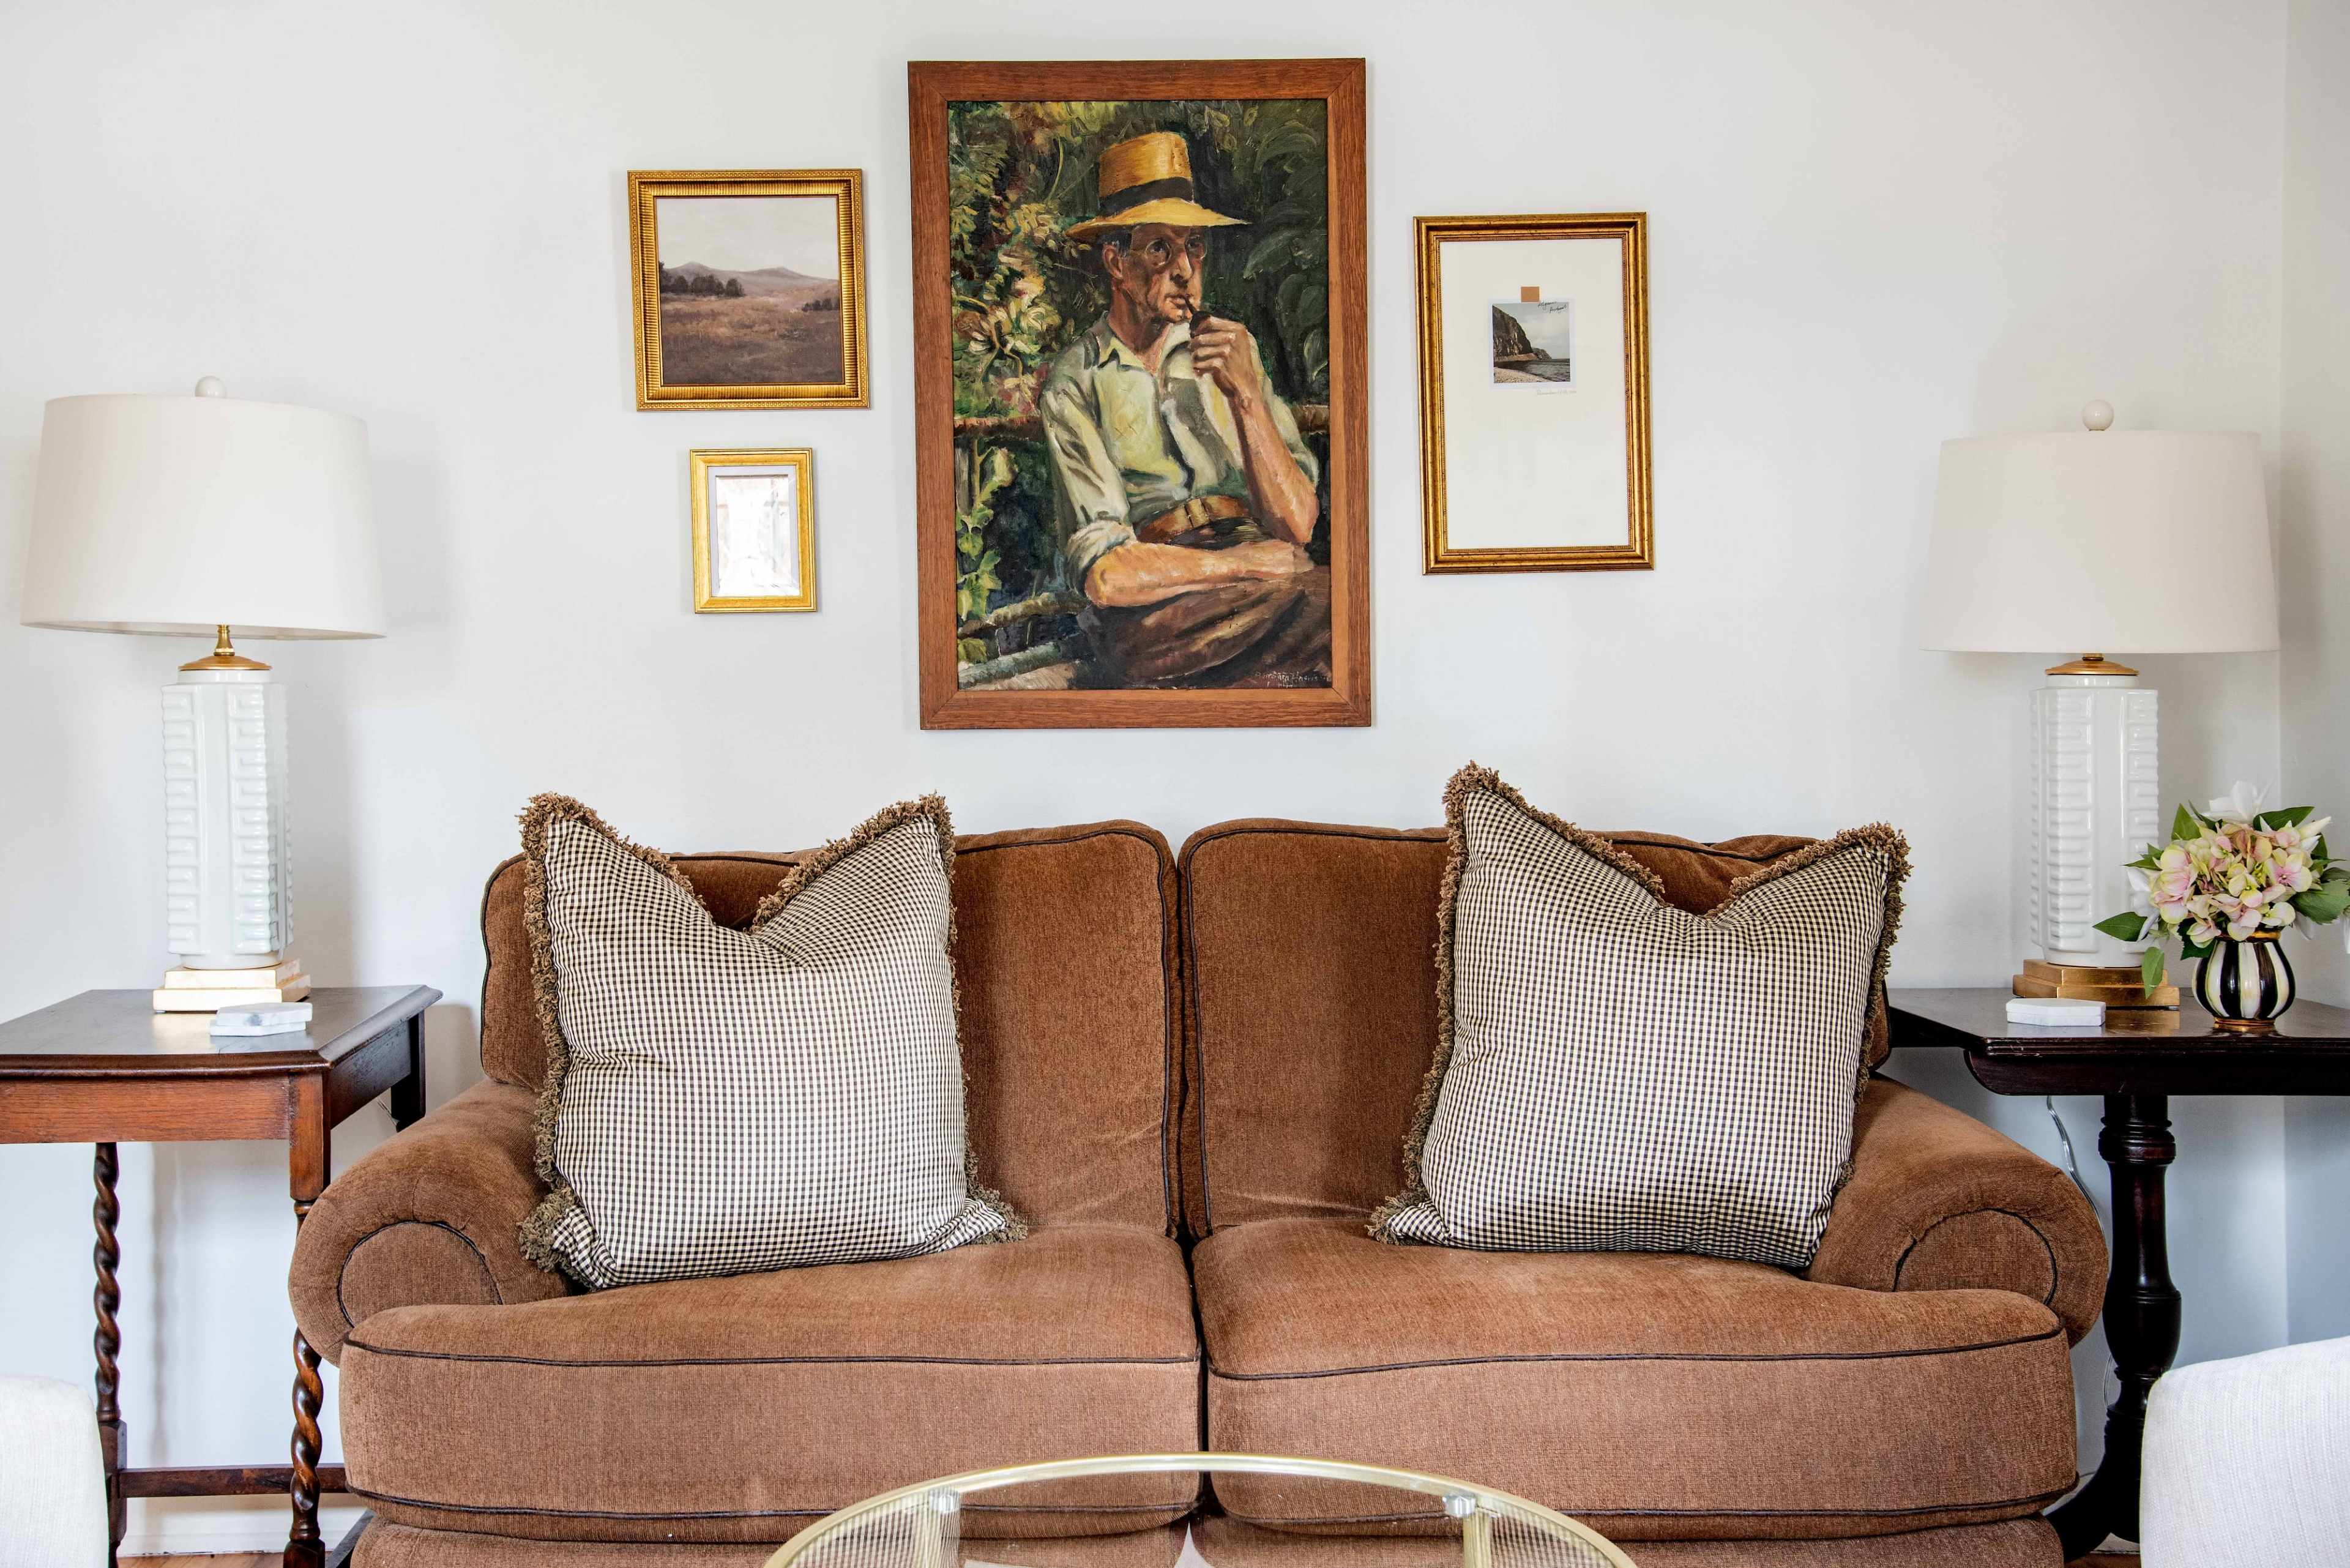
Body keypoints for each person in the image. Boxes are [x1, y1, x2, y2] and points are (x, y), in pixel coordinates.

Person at [1039, 131, 1330, 687]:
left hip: (1260, 590)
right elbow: (1108, 574)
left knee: (1329, 608)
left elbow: (1297, 524)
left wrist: (1247, 396)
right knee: (1328, 608)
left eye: (1193, 247)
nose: (1184, 270)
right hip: (1158, 607)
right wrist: (1244, 566)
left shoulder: (1229, 355)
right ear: (1115, 263)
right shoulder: (1075, 382)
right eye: (1159, 249)